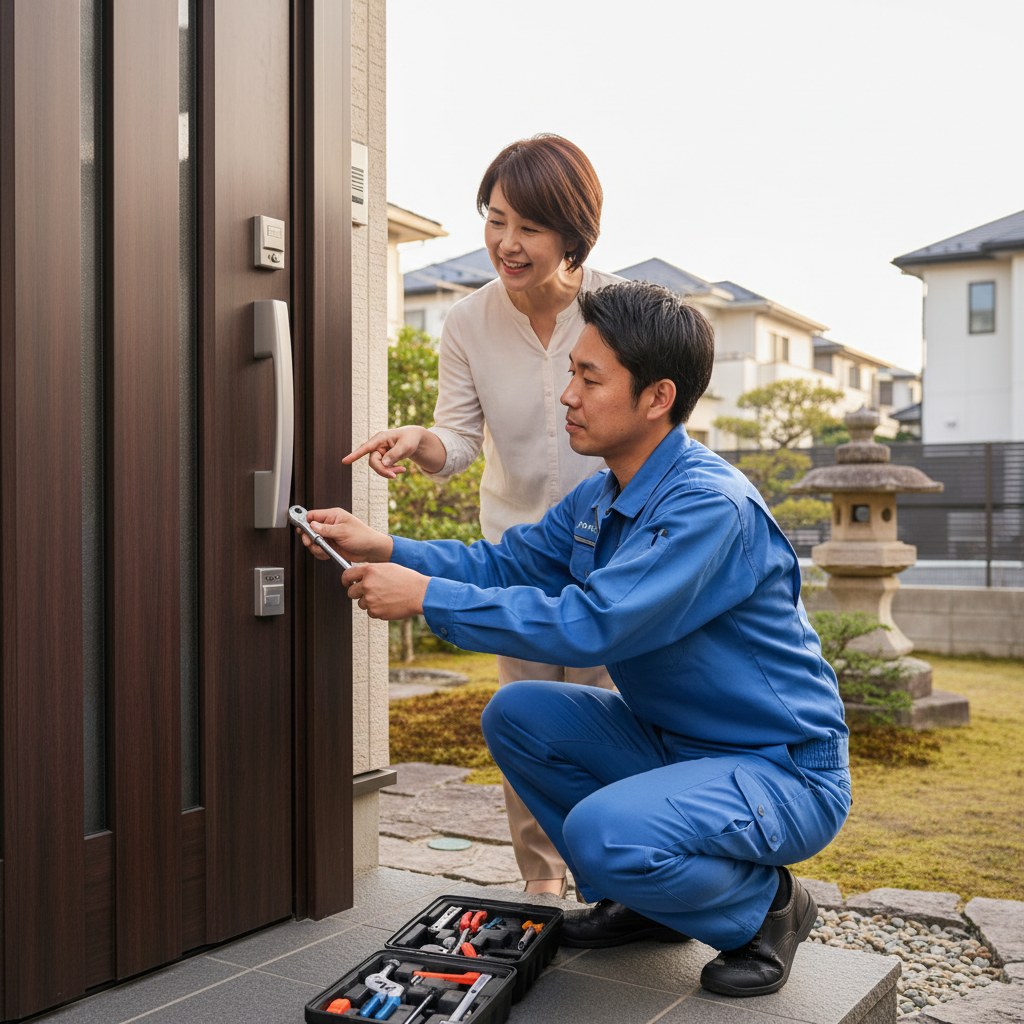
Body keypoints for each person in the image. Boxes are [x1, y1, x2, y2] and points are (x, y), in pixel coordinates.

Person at [299, 280, 851, 997]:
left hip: (782, 770)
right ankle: (648, 906)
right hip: (676, 746)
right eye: (572, 372)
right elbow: (504, 562)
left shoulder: (707, 508)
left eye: (589, 377)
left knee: (601, 832)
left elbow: (594, 624)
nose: (568, 395)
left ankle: (769, 910)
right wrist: (387, 548)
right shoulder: (603, 494)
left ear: (656, 398)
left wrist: (429, 600)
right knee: (519, 714)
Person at [345, 135, 622, 898]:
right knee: (527, 724)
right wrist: (421, 442)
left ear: (573, 232)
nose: (507, 242)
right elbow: (461, 439)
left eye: (528, 226)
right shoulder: (467, 322)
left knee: (608, 722)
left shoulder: (619, 308)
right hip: (518, 558)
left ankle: (618, 883)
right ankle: (542, 882)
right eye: (495, 219)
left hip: (616, 553)